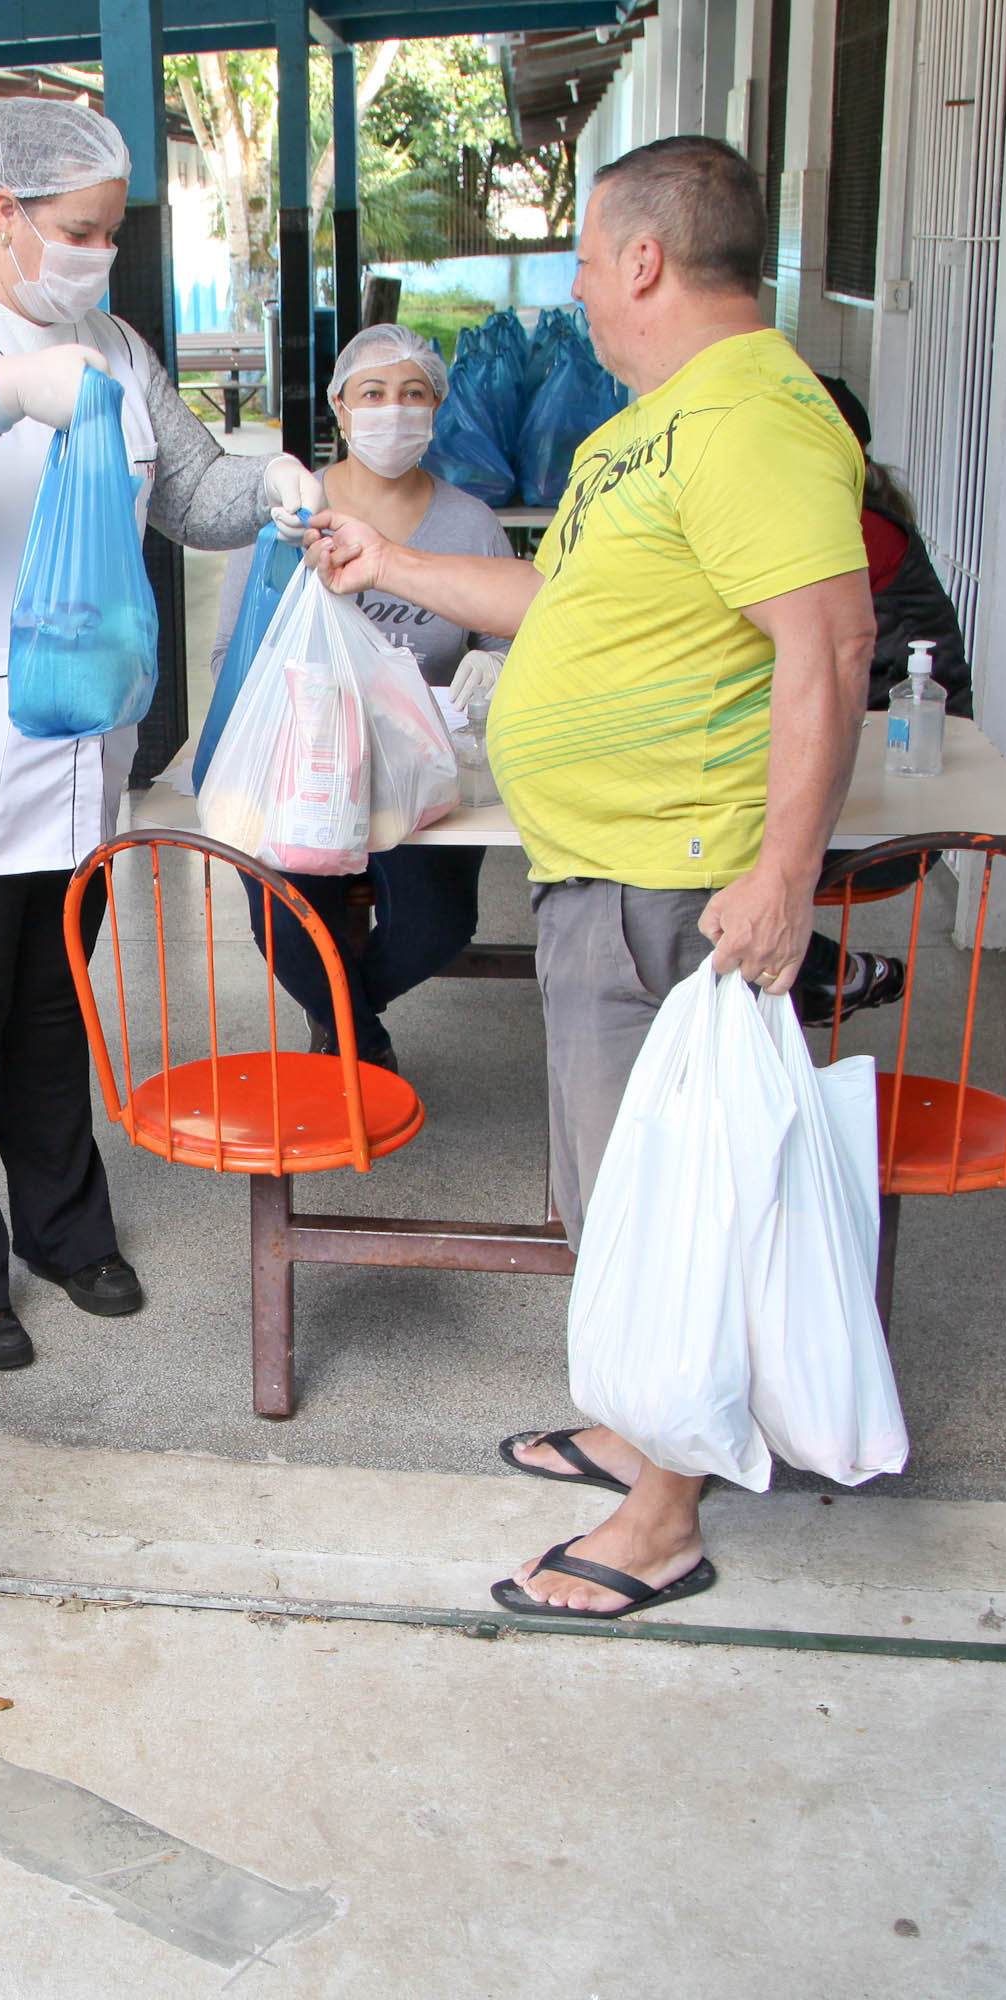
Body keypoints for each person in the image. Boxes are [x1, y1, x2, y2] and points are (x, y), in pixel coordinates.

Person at [309, 135, 876, 1619]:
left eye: (579, 263)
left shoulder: (753, 415)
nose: (576, 294)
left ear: (640, 259)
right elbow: (550, 603)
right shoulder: (652, 427)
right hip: (602, 868)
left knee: (666, 1199)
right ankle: (643, 1430)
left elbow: (828, 644)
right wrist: (388, 564)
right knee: (613, 1189)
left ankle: (665, 1516)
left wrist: (783, 875)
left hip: (675, 876)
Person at [0, 95, 324, 1374]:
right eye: (80, 230)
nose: (99, 254)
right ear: (5, 214)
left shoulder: (114, 341)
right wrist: (0, 390)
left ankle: (64, 1229)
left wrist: (272, 483)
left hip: (77, 762)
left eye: (110, 232)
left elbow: (192, 487)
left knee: (53, 1011)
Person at [207, 322, 511, 1069]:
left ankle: (341, 1023)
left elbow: (509, 625)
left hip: (419, 776)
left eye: (413, 393)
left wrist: (499, 663)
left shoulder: (469, 526)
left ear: (436, 407)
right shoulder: (289, 520)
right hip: (302, 773)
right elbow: (228, 653)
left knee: (438, 926)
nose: (393, 409)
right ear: (341, 410)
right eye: (373, 393)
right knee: (284, 921)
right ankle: (361, 1044)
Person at [789, 372, 975, 1024]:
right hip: (866, 769)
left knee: (689, 851)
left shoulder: (852, 529)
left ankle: (825, 972)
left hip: (889, 804)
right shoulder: (843, 514)